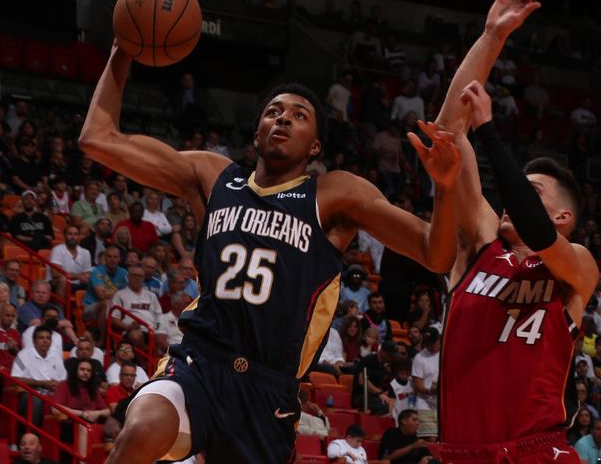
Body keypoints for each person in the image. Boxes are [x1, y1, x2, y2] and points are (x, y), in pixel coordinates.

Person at [81, 40, 460, 464]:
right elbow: (98, 138)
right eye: (274, 111)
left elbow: (436, 254)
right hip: (199, 363)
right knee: (141, 430)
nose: (284, 117)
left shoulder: (333, 195)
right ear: (257, 133)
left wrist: (444, 188)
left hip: (268, 389)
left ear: (315, 146)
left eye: (300, 116)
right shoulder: (213, 176)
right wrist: (121, 53)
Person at [433, 0, 597, 457]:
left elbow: (535, 228)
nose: (512, 197)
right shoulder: (482, 243)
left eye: (532, 190)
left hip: (535, 451)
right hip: (463, 451)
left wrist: (490, 133)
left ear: (563, 218)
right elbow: (448, 131)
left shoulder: (577, 267)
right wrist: (491, 36)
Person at [52, 358, 111, 459]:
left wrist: (96, 413)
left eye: (89, 371)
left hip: (91, 422)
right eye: (82, 369)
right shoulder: (64, 385)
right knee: (84, 425)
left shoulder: (92, 389)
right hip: (70, 424)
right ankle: (82, 461)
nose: (85, 373)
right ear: (75, 370)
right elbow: (55, 408)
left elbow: (108, 411)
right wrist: (81, 413)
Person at [11, 325, 66, 426]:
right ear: (34, 341)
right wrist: (42, 383)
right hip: (31, 394)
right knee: (36, 400)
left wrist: (57, 385)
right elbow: (15, 379)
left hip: (52, 395)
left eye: (48, 338)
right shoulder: (23, 355)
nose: (45, 341)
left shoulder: (56, 357)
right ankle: (32, 436)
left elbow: (64, 380)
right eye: (41, 338)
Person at [48, 225, 92, 300]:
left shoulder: (86, 252)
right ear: (64, 235)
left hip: (78, 284)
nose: (72, 237)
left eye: (75, 234)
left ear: (79, 236)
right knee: (63, 279)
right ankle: (60, 311)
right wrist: (77, 276)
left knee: (96, 281)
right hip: (57, 283)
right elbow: (55, 273)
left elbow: (87, 273)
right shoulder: (57, 250)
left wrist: (85, 277)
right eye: (70, 234)